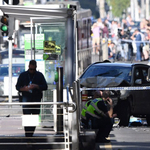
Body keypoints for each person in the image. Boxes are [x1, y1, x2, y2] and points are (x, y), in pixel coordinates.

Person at [16, 60, 48, 137]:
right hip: (26, 98)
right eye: (31, 69)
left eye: (33, 69)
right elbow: (17, 86)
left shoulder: (39, 75)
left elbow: (45, 86)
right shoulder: (23, 75)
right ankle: (28, 135)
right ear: (28, 67)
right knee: (27, 117)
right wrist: (24, 89)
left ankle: (30, 134)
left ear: (36, 67)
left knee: (34, 117)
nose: (32, 71)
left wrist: (37, 86)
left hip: (36, 99)